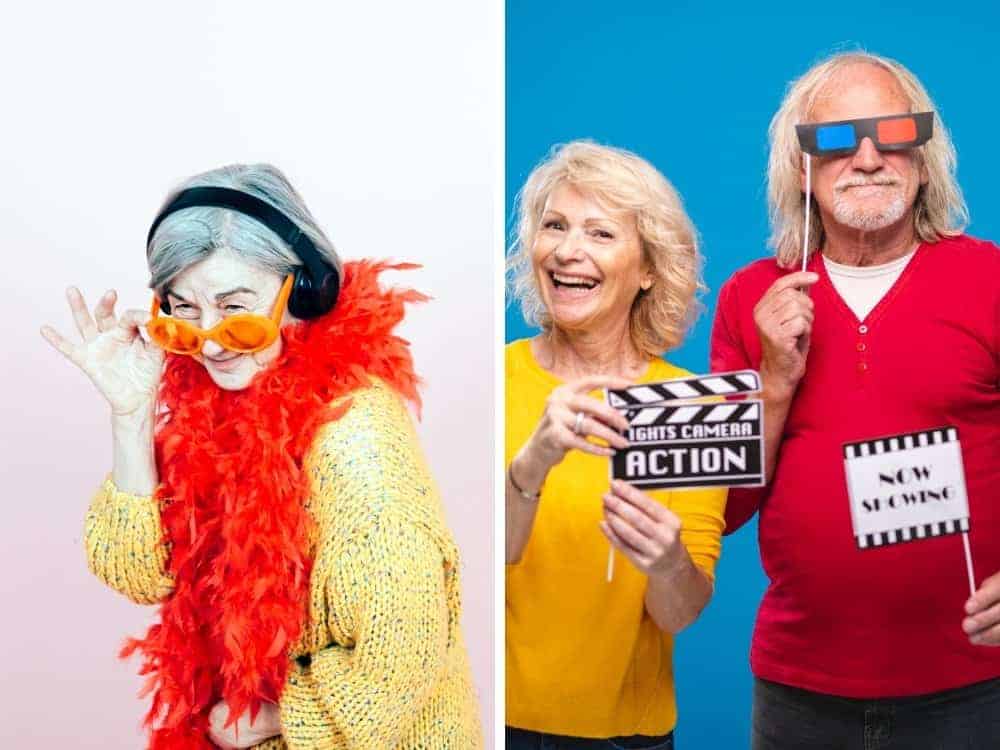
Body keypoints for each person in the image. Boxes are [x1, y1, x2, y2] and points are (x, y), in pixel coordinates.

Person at [41, 164, 482, 749]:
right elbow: (140, 573)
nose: (211, 340)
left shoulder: (359, 442)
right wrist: (130, 416)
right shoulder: (212, 401)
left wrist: (278, 718)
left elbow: (402, 655)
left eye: (235, 308)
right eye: (184, 312)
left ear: (304, 291)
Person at [710, 52, 1000, 748]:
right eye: (837, 139)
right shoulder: (751, 297)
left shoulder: (990, 279)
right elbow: (721, 508)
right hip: (798, 688)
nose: (868, 156)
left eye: (894, 132)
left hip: (976, 683)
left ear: (923, 160)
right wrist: (775, 382)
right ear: (802, 169)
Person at [505, 141, 727, 749]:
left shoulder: (691, 408)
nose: (568, 250)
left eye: (600, 233)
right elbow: (462, 568)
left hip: (624, 737)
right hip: (485, 721)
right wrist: (533, 462)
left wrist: (667, 561)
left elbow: (680, 612)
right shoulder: (490, 382)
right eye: (554, 226)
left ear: (650, 268)